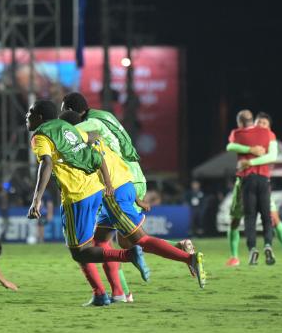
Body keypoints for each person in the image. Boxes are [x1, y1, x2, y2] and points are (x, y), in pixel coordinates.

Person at [58, 110, 206, 299]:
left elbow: (97, 167)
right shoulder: (96, 135)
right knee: (100, 241)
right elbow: (115, 164)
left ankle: (187, 257)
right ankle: (119, 293)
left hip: (114, 194)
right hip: (126, 185)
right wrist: (135, 197)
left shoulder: (77, 142)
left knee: (138, 240)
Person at [26, 100, 152, 307]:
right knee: (85, 247)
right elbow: (93, 137)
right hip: (95, 189)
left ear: (40, 117)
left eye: (30, 112)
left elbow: (46, 163)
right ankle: (101, 294)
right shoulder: (66, 128)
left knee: (80, 252)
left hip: (77, 194)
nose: (27, 116)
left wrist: (36, 199)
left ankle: (128, 255)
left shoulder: (40, 136)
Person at [225, 112, 282, 266]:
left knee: (273, 218)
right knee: (236, 220)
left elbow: (272, 156)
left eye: (264, 123)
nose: (261, 126)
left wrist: (250, 161)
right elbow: (231, 145)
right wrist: (250, 149)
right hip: (243, 181)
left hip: (260, 180)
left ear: (269, 126)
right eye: (259, 123)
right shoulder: (250, 136)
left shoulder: (268, 136)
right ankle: (234, 256)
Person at [227, 110, 276, 265]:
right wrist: (255, 152)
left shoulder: (237, 133)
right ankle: (268, 245)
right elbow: (273, 156)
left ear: (240, 122)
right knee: (267, 217)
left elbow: (229, 146)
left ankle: (252, 250)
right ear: (253, 120)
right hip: (264, 179)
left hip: (246, 180)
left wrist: (249, 159)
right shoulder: (268, 134)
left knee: (249, 218)